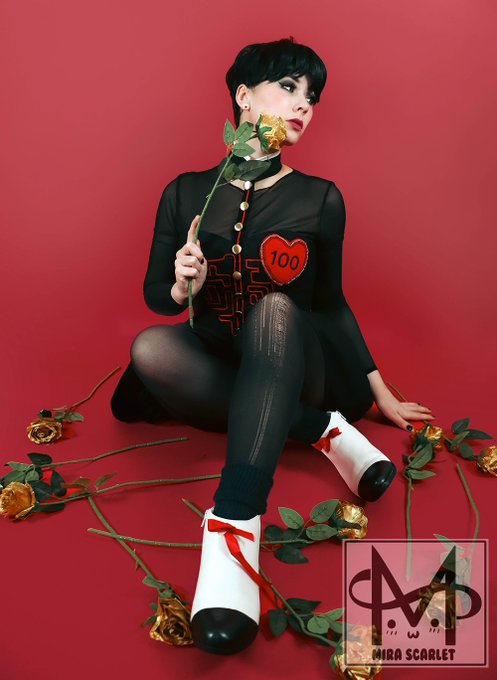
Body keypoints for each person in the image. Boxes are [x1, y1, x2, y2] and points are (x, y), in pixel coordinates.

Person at [111, 37, 434, 655]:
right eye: (288, 88)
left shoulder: (320, 198)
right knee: (150, 347)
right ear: (243, 96)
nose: (304, 105)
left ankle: (234, 520)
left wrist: (381, 391)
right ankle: (321, 429)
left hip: (298, 363)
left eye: (312, 96)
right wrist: (182, 286)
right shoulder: (185, 191)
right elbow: (157, 297)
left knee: (278, 310)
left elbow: (331, 304)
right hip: (221, 367)